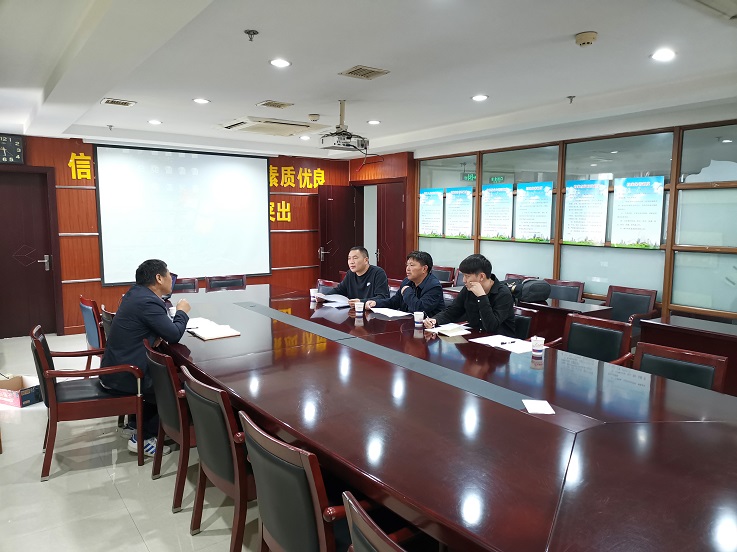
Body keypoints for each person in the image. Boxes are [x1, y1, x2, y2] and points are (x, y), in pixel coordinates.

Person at [100, 259, 191, 457]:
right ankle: (144, 438)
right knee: (170, 382)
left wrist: (153, 334)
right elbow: (174, 334)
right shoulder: (148, 301)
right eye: (169, 274)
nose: (171, 279)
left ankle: (135, 424)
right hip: (125, 375)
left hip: (116, 367)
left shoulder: (136, 294)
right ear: (159, 278)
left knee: (162, 370)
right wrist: (182, 312)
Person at [424, 254, 515, 337]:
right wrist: (435, 320)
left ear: (481, 276)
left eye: (467, 276)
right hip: (474, 337)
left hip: (500, 342)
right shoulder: (469, 289)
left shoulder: (503, 294)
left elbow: (491, 326)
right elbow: (453, 311)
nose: (464, 280)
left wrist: (482, 297)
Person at [365, 250, 444, 317]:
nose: (408, 269)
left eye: (412, 265)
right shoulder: (407, 281)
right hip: (407, 323)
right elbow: (395, 302)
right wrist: (376, 303)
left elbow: (419, 309)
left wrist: (407, 291)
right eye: (407, 265)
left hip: (428, 327)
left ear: (424, 269)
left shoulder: (433, 286)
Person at [320, 246, 389, 304]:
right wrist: (324, 297)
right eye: (349, 258)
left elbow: (382, 297)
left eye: (355, 258)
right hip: (354, 312)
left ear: (366, 260)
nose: (351, 262)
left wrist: (361, 302)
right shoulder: (350, 274)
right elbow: (339, 290)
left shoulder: (378, 273)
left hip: (372, 313)